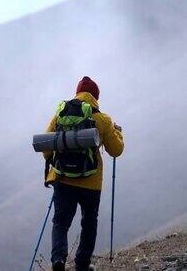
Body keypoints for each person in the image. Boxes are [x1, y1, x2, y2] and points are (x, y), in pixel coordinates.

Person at [43, 76, 124, 271]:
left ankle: (58, 260)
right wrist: (118, 132)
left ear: (77, 93)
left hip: (63, 179)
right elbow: (116, 150)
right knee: (89, 222)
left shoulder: (61, 114)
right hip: (91, 183)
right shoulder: (103, 119)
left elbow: (46, 148)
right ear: (96, 96)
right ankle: (82, 265)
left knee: (61, 222)